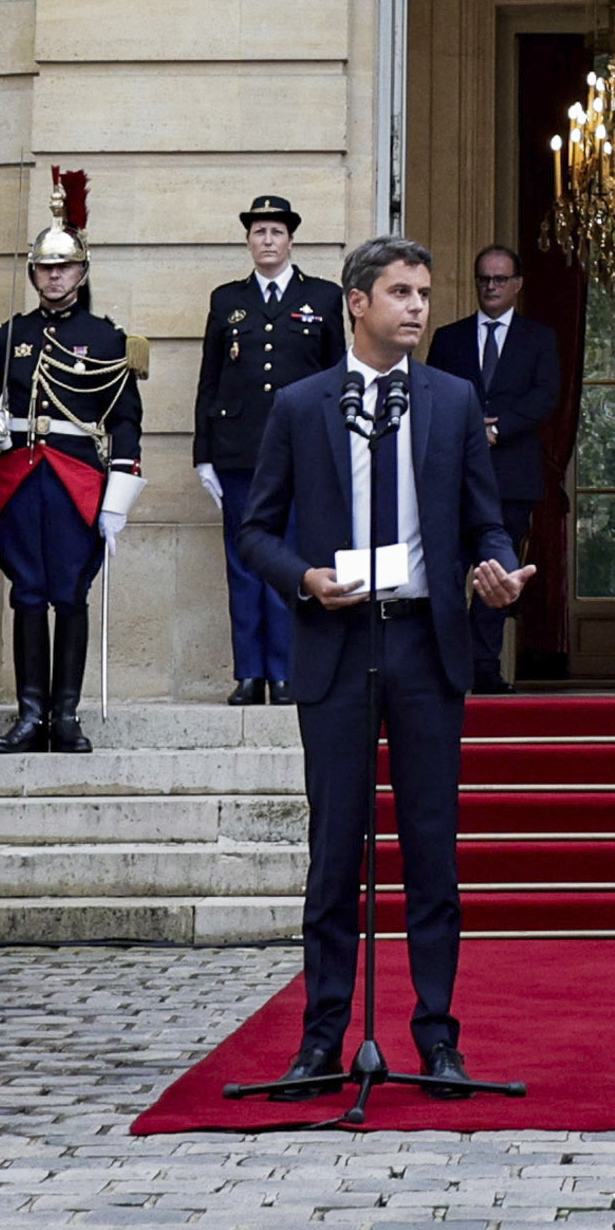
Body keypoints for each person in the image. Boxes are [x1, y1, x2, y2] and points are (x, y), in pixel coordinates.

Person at [230, 230, 525, 1091]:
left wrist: (496, 566)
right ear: (356, 301)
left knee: (432, 849)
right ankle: (323, 1036)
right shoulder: (302, 404)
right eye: (401, 292)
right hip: (336, 640)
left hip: (427, 647)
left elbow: (485, 518)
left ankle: (437, 1034)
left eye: (425, 293)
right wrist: (305, 579)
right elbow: (254, 529)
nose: (419, 307)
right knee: (334, 853)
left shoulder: (453, 400)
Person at [0, 179, 137, 751]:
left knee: (69, 594)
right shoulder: (9, 335)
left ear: (82, 274)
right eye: (45, 269)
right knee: (27, 593)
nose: (54, 278)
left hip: (76, 480)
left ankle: (64, 715)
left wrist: (117, 497)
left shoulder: (105, 337)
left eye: (64, 268)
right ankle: (28, 713)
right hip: (22, 476)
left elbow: (124, 420)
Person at [195, 196, 333, 707]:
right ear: (249, 241)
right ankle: (249, 672)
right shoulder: (225, 299)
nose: (267, 241)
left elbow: (337, 377)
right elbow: (210, 380)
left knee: (291, 560)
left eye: (276, 231)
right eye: (259, 233)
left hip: (303, 454)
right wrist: (203, 453)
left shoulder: (322, 297)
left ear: (291, 239)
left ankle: (285, 668)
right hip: (238, 453)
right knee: (243, 563)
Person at [448, 238, 562, 689]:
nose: (491, 287)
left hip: (512, 476)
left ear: (516, 285)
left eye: (500, 279)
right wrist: (471, 428)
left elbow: (546, 396)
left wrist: (497, 429)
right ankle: (449, 668)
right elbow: (432, 395)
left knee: (497, 573)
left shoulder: (539, 338)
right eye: (484, 279)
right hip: (455, 478)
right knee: (452, 574)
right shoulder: (448, 338)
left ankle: (484, 668)